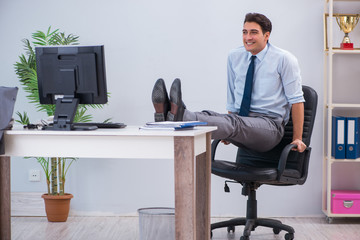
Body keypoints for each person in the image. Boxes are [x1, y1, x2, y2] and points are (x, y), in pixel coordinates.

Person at [151, 12, 306, 153]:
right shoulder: (235, 56)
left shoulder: (284, 59)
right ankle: (170, 116)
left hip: (270, 128)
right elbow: (232, 99)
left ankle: (178, 116)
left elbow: (297, 100)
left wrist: (297, 138)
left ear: (267, 35)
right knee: (211, 115)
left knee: (234, 122)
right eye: (244, 32)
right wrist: (227, 130)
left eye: (254, 32)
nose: (248, 37)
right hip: (242, 121)